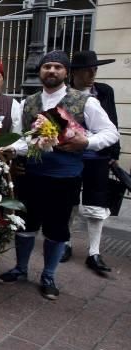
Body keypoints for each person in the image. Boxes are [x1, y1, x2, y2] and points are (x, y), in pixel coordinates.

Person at [0, 51, 120, 300]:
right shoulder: (29, 102)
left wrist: (86, 142)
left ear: (66, 72)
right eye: (47, 67)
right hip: (32, 175)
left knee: (56, 229)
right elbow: (25, 139)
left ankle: (49, 276)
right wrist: (10, 148)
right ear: (40, 71)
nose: (51, 71)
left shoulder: (85, 101)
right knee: (25, 225)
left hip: (65, 178)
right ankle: (21, 269)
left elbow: (110, 133)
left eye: (57, 67)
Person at [62, 50, 120, 274]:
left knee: (96, 204)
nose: (92, 74)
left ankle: (94, 252)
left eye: (94, 70)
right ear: (75, 72)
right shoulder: (64, 94)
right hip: (71, 156)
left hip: (98, 156)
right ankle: (65, 243)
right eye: (87, 70)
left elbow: (112, 122)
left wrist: (114, 153)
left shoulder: (104, 92)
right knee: (70, 201)